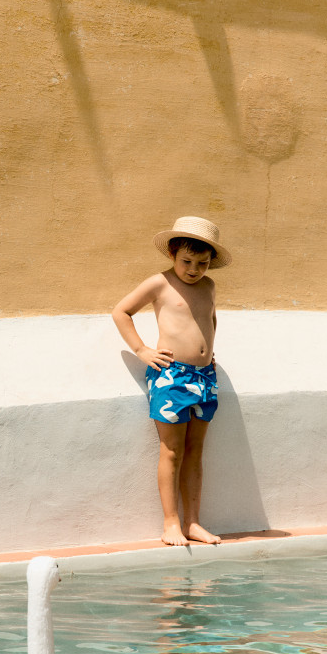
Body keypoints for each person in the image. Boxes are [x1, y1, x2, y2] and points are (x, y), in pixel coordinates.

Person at [112, 216, 232, 546]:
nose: (194, 270)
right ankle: (171, 523)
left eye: (202, 263)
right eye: (187, 261)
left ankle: (193, 522)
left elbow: (209, 319)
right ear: (172, 254)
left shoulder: (208, 286)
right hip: (172, 376)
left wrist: (207, 352)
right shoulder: (159, 283)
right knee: (172, 451)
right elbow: (121, 311)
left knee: (195, 451)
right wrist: (142, 350)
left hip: (205, 377)